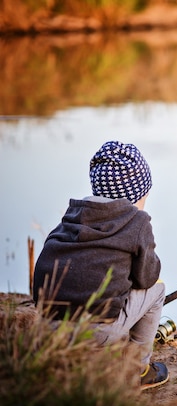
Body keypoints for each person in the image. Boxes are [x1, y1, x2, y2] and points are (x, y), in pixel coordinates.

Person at [33, 140, 169, 390]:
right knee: (157, 290)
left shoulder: (72, 216)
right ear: (136, 196)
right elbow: (148, 278)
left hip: (49, 326)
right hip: (100, 332)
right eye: (145, 195)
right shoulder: (137, 222)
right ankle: (137, 370)